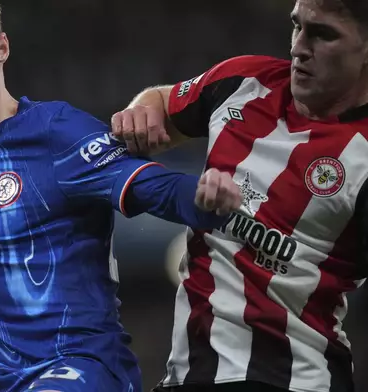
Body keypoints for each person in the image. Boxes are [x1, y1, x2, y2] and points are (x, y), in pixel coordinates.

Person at [0, 0, 242, 391]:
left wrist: (204, 197)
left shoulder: (56, 133)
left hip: (84, 372)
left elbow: (149, 186)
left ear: (1, 48)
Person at [111, 0, 368, 391]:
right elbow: (161, 103)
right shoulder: (243, 81)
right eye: (297, 27)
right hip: (188, 375)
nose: (299, 46)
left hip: (293, 379)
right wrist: (139, 112)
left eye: (323, 34)